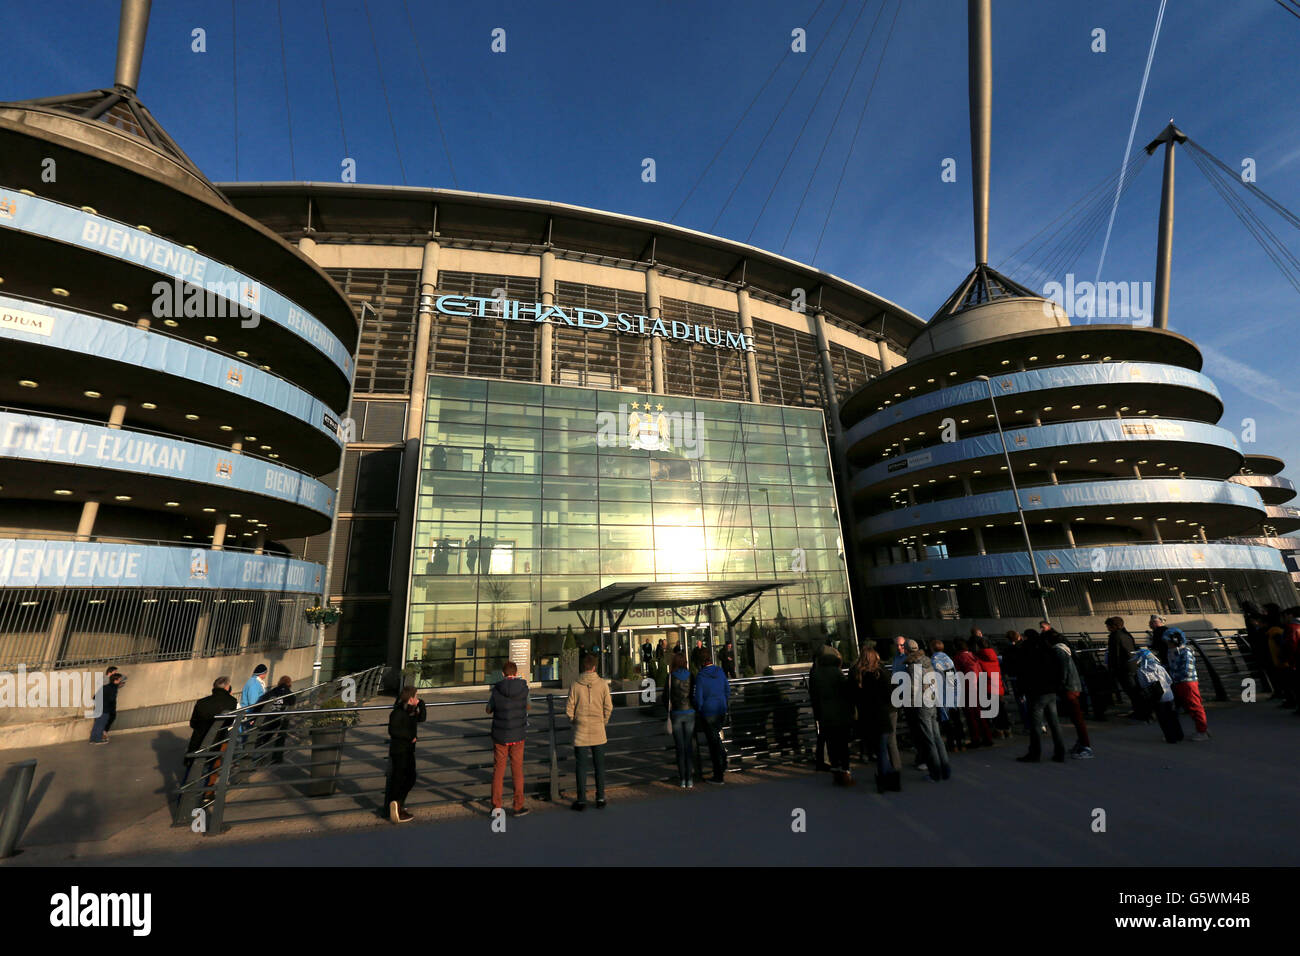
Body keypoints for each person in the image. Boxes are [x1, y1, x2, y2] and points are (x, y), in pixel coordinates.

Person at [566, 654, 614, 810]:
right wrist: (603, 721)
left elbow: (569, 708)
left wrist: (574, 720)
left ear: (583, 667)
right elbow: (608, 707)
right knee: (599, 766)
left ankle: (581, 800)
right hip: (598, 730)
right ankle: (600, 798)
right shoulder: (602, 684)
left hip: (580, 730)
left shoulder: (575, 684)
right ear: (594, 667)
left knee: (581, 766)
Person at [901, 639, 950, 782]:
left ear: (907, 650)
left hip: (922, 704)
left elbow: (912, 689)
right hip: (932, 701)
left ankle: (935, 774)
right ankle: (945, 770)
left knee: (928, 740)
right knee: (937, 738)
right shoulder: (927, 661)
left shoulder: (912, 666)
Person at [852, 648, 901, 793]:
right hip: (881, 714)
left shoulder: (858, 674)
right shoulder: (881, 673)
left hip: (867, 716)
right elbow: (889, 694)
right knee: (883, 748)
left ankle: (884, 779)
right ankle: (889, 778)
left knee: (878, 749)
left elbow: (854, 695)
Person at [1015, 629, 1068, 763]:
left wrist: (1021, 691)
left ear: (1025, 637)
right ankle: (1060, 751)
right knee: (1054, 723)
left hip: (1035, 691)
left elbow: (1023, 672)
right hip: (1050, 690)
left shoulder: (1026, 650)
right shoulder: (1047, 648)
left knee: (1035, 725)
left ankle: (1035, 752)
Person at [487, 661, 531, 816]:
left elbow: (488, 709)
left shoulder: (496, 689)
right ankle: (518, 805)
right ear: (516, 673)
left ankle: (496, 806)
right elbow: (528, 706)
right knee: (517, 770)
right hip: (518, 735)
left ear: (503, 674)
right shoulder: (523, 688)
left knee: (498, 771)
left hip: (500, 736)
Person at [808, 647, 855, 786]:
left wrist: (817, 713)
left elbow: (814, 696)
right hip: (840, 713)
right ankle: (845, 772)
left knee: (831, 744)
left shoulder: (817, 674)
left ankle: (835, 773)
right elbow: (846, 692)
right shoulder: (836, 673)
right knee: (842, 744)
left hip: (825, 714)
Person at [182, 677, 239, 787]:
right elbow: (229, 723)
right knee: (210, 772)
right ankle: (205, 797)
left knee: (190, 776)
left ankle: (185, 799)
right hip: (217, 743)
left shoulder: (201, 703)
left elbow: (193, 724)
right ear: (227, 687)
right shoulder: (232, 702)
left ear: (214, 687)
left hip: (198, 742)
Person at [384, 686, 427, 823]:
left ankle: (397, 804)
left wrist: (421, 704)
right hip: (400, 750)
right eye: (416, 696)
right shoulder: (397, 712)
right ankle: (395, 805)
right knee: (399, 778)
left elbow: (422, 718)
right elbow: (393, 731)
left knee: (410, 777)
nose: (417, 698)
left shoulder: (411, 711)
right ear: (410, 698)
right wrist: (410, 737)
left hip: (408, 749)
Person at [1048, 633, 1092, 758]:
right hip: (1073, 685)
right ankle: (1082, 743)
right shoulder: (1065, 650)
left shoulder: (1058, 651)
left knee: (1077, 718)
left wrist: (1060, 684)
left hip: (1068, 688)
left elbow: (1063, 670)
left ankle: (1086, 746)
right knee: (1076, 717)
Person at [692, 649, 731, 784]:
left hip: (708, 712)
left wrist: (701, 708)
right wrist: (724, 703)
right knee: (716, 739)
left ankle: (719, 774)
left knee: (713, 743)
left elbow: (698, 698)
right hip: (721, 710)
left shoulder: (701, 676)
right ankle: (723, 761)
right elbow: (727, 690)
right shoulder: (720, 671)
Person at [1165, 631, 1210, 740]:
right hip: (1178, 682)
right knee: (1186, 707)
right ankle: (1201, 729)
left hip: (1187, 682)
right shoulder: (1172, 651)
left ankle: (1202, 731)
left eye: (1167, 640)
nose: (1166, 643)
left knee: (1194, 706)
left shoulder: (1185, 651)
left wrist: (1172, 674)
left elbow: (1186, 669)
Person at [1134, 648, 1182, 743]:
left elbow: (1143, 685)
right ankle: (1179, 735)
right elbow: (1169, 680)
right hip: (1169, 695)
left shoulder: (1141, 671)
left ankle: (1170, 738)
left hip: (1157, 697)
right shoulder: (1160, 667)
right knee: (1173, 716)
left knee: (1163, 719)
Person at [1104, 616, 1148, 720]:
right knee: (1136, 690)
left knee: (1131, 691)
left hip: (1123, 668)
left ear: (1113, 626)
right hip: (1133, 665)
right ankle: (1142, 711)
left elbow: (1115, 655)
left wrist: (1112, 669)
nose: (1107, 628)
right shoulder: (1127, 635)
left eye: (1108, 626)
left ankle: (1140, 712)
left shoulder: (1114, 636)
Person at [953, 639, 993, 748]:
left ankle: (975, 739)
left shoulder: (958, 658)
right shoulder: (973, 656)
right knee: (980, 714)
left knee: (971, 716)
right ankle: (987, 737)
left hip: (967, 688)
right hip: (978, 686)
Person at [666, 652, 696, 788]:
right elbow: (693, 694)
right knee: (688, 745)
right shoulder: (691, 676)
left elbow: (665, 696)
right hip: (689, 712)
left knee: (680, 747)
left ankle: (682, 779)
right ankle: (690, 779)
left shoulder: (671, 677)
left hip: (676, 713)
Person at [929, 639, 964, 752]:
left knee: (947, 720)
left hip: (942, 694)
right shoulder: (949, 659)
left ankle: (951, 744)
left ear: (932, 648)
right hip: (953, 693)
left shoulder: (933, 661)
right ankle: (961, 743)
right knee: (957, 719)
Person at [974, 635, 1012, 737]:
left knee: (992, 710)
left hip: (986, 685)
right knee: (1001, 708)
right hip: (997, 683)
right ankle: (1007, 729)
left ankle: (999, 730)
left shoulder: (978, 658)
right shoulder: (994, 655)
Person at [255, 675, 295, 763]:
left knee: (259, 737)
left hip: (265, 720)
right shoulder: (291, 695)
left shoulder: (271, 692)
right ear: (289, 684)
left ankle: (256, 756)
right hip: (279, 721)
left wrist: (253, 717)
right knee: (279, 732)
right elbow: (291, 705)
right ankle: (277, 758)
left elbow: (259, 704)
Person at [89, 667, 124, 744]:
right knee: (101, 724)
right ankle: (98, 739)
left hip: (99, 707)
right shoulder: (111, 688)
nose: (120, 681)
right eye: (119, 680)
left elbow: (95, 696)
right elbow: (111, 699)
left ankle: (93, 739)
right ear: (115, 680)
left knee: (97, 724)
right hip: (105, 708)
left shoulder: (107, 686)